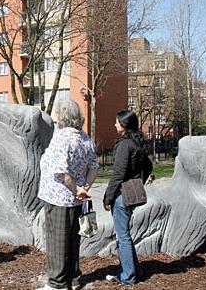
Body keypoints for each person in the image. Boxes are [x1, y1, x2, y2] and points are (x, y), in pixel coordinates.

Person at [37, 97, 99, 290]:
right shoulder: (84, 137)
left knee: (57, 240)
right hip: (76, 200)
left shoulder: (62, 137)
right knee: (73, 240)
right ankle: (73, 278)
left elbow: (62, 172)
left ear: (62, 116)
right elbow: (94, 167)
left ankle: (57, 284)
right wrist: (84, 189)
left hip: (59, 197)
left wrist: (76, 189)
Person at [103, 110, 147, 285]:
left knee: (123, 237)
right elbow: (148, 166)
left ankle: (127, 276)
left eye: (116, 122)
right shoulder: (137, 143)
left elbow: (118, 174)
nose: (114, 125)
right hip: (130, 195)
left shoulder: (124, 145)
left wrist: (108, 197)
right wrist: (138, 182)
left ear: (124, 125)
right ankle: (135, 270)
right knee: (125, 235)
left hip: (122, 196)